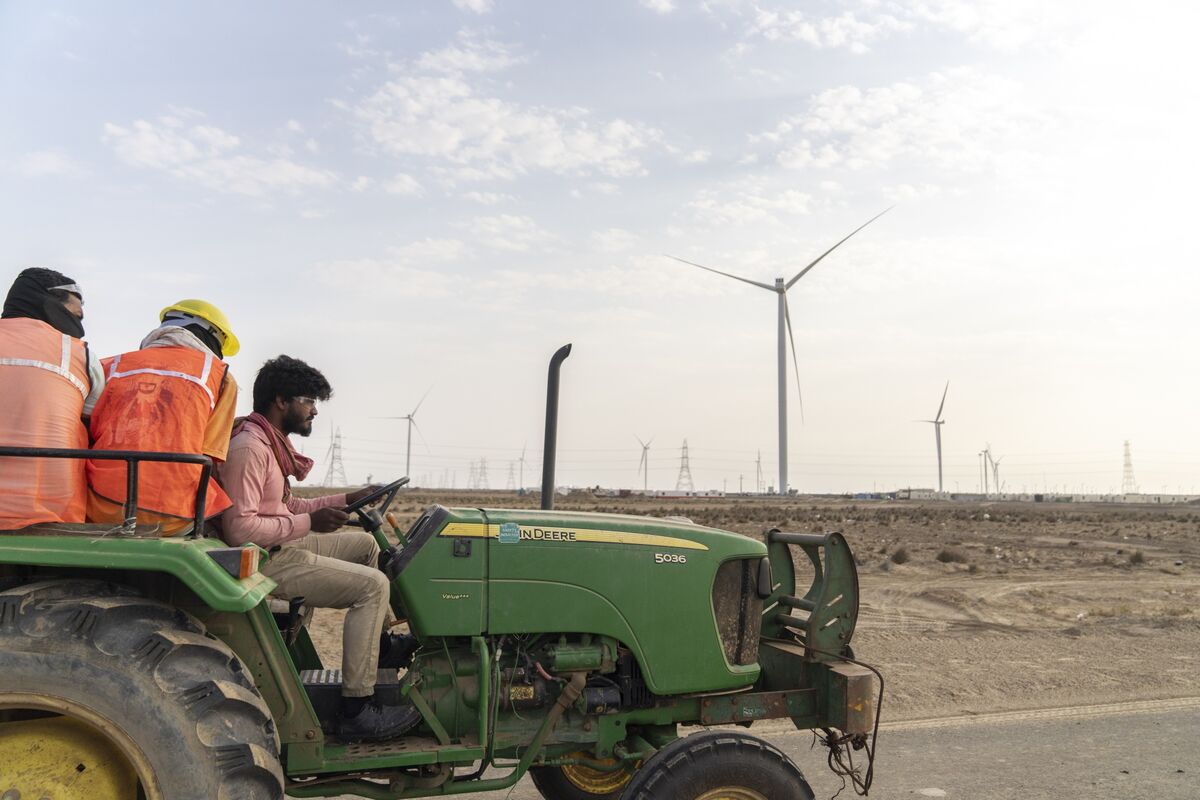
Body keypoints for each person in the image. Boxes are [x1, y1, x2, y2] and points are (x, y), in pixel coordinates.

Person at [219, 355, 419, 742]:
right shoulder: (250, 449)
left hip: (280, 542)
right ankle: (356, 709)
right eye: (308, 401)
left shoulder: (269, 444)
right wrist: (311, 523)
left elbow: (284, 508)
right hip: (265, 560)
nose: (313, 411)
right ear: (281, 401)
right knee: (373, 586)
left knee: (365, 545)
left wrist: (346, 498)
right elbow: (239, 528)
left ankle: (379, 648)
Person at [87, 300, 241, 535]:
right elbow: (211, 454)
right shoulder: (221, 376)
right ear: (211, 338)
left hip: (99, 506)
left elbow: (84, 433)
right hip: (175, 517)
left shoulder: (108, 366)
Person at [0, 268, 104, 529]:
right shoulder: (81, 354)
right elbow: (96, 425)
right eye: (76, 314)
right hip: (51, 514)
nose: (79, 324)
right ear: (48, 303)